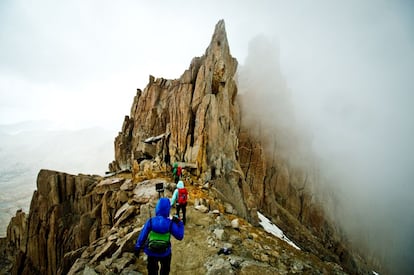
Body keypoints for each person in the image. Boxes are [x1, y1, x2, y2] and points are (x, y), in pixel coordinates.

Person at [134, 197, 184, 275]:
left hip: (151, 252)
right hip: (165, 252)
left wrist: (137, 247)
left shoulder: (150, 221)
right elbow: (180, 236)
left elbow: (142, 236)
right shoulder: (170, 223)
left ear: (157, 207)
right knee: (165, 270)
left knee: (152, 271)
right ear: (168, 209)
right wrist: (180, 223)